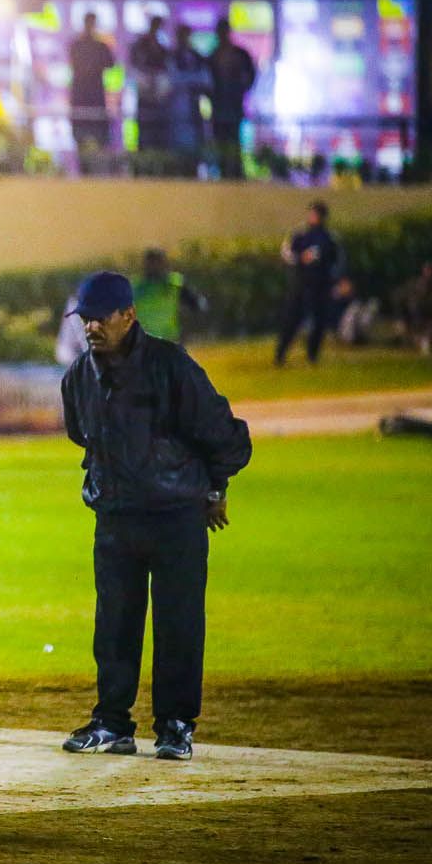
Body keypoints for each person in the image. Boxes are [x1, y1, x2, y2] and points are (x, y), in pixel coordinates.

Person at [60, 271, 251, 761]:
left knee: (178, 624)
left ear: (129, 315)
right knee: (114, 625)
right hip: (115, 516)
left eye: (101, 318)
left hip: (175, 516)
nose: (91, 327)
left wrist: (215, 487)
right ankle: (112, 722)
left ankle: (176, 724)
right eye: (86, 319)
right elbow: (83, 435)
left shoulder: (171, 366)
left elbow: (223, 434)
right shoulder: (79, 376)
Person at [275, 201, 344, 366]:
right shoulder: (300, 234)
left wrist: (335, 280)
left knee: (320, 321)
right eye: (312, 213)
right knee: (292, 319)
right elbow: (286, 253)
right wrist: (300, 258)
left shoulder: (329, 237)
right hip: (301, 283)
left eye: (317, 214)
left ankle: (313, 355)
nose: (313, 217)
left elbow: (338, 261)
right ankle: (280, 355)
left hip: (321, 285)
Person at [207, 18, 257, 180]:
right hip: (218, 107)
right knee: (220, 141)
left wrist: (241, 89)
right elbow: (207, 81)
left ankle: (237, 172)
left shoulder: (240, 54)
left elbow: (251, 75)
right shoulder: (213, 55)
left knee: (234, 140)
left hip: (235, 106)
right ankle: (223, 172)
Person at [132, 248, 208, 345]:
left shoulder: (175, 284)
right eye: (151, 263)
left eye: (157, 262)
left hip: (168, 341)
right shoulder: (136, 287)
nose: (154, 266)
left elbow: (198, 304)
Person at [68, 12, 115, 165]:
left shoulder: (101, 46)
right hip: (80, 95)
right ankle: (83, 167)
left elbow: (111, 63)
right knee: (80, 136)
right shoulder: (76, 45)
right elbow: (73, 63)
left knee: (100, 137)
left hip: (96, 96)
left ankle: (101, 167)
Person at [165, 23, 211, 174]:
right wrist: (189, 81)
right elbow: (170, 80)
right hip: (175, 108)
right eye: (181, 35)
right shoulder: (171, 56)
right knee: (175, 145)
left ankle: (193, 170)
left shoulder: (197, 57)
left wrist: (186, 81)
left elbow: (206, 80)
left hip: (194, 108)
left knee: (194, 145)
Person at [129, 15, 169, 156]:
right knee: (144, 129)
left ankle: (158, 159)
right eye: (155, 25)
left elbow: (165, 70)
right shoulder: (139, 45)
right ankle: (142, 159)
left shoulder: (162, 48)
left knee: (158, 130)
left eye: (159, 26)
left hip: (158, 98)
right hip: (144, 95)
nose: (156, 28)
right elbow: (134, 66)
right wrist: (146, 80)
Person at [397, 261, 432, 354]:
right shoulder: (415, 286)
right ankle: (418, 340)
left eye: (430, 270)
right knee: (413, 337)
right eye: (427, 270)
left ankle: (429, 340)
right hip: (416, 322)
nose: (428, 273)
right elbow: (407, 305)